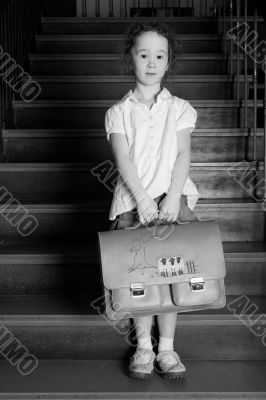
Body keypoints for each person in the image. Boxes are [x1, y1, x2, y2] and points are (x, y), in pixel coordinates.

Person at [104, 22, 199, 380]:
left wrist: (172, 197)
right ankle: (144, 346)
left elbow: (183, 154)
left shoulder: (180, 108)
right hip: (133, 204)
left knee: (171, 272)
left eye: (160, 55)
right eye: (143, 54)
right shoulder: (119, 111)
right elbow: (123, 158)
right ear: (130, 58)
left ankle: (167, 348)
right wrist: (143, 200)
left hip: (172, 201)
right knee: (141, 276)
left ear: (169, 61)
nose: (151, 61)